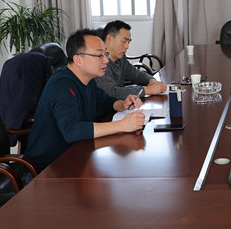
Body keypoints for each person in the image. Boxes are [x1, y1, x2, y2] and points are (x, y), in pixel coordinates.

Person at [26, 28, 146, 170]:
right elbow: (72, 130)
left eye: (106, 54)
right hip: (48, 168)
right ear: (78, 59)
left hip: (77, 155)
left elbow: (104, 101)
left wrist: (122, 104)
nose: (106, 60)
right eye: (99, 55)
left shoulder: (87, 79)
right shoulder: (62, 85)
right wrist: (121, 125)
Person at [95, 20, 167, 99]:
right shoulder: (98, 62)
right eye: (124, 41)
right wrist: (148, 90)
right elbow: (112, 92)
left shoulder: (120, 59)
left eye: (128, 42)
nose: (127, 47)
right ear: (110, 38)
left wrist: (151, 80)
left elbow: (136, 74)